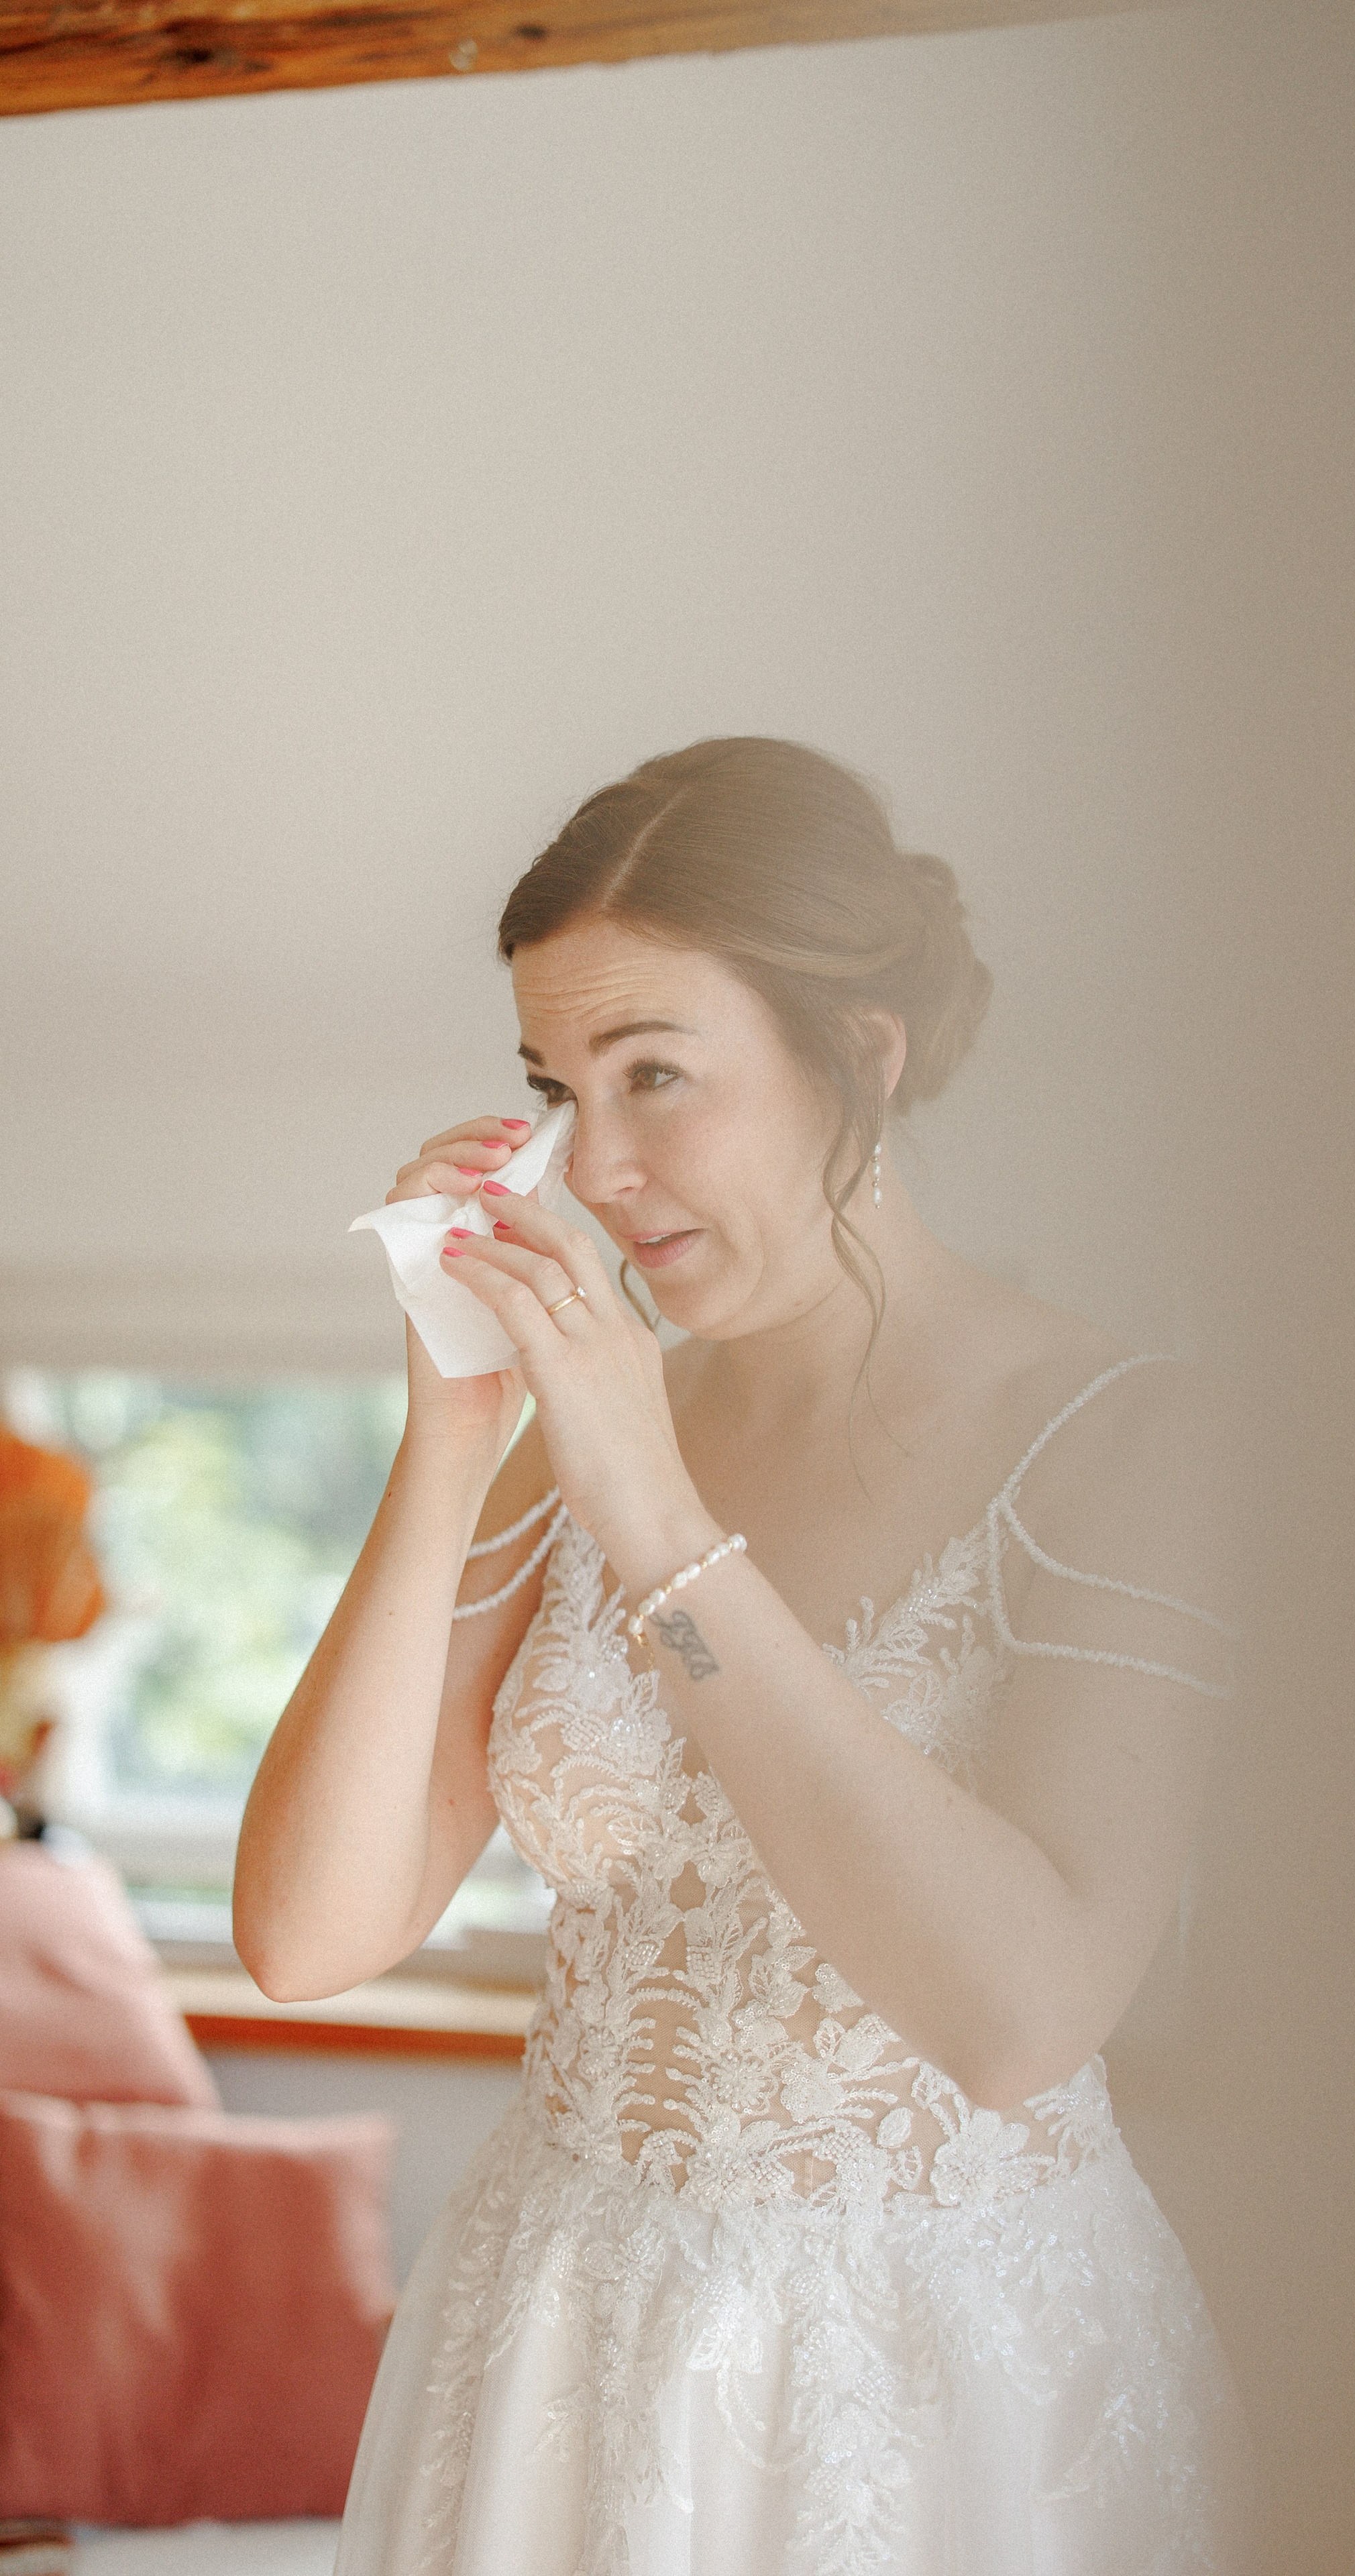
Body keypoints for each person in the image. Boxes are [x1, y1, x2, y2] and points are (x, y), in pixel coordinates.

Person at [235, 735, 1252, 2575]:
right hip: (555, 2346)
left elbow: (1020, 2022)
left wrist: (649, 1506)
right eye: (556, 1090)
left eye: (656, 1075)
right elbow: (307, 1938)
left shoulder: (1120, 1440)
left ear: (859, 1053)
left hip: (935, 2386)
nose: (599, 1167)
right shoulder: (567, 1428)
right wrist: (456, 1427)